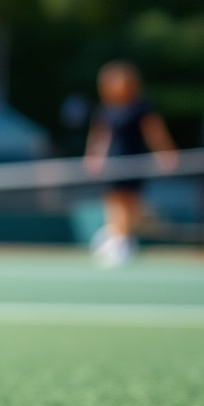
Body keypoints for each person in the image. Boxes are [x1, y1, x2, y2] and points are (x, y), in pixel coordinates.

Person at [84, 61, 177, 267]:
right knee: (114, 202)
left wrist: (166, 153)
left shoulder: (142, 106)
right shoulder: (105, 109)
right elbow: (100, 135)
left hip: (135, 162)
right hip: (113, 163)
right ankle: (117, 239)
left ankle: (121, 240)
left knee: (130, 203)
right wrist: (93, 157)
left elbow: (155, 132)